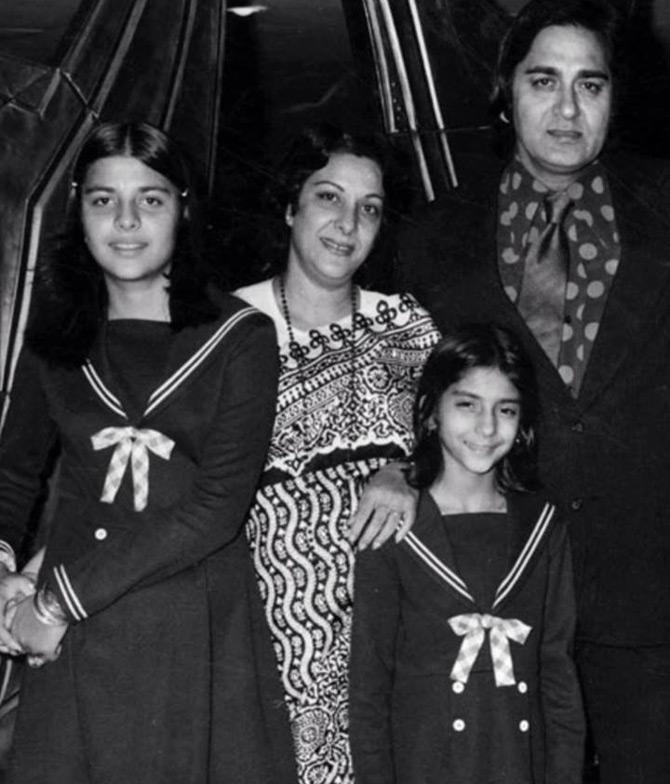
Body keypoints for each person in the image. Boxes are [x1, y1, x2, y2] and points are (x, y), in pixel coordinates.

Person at [380, 1, 670, 782]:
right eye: (544, 81)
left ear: (616, 98)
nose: (568, 109)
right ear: (506, 94)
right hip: (499, 588)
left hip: (651, 598)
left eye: (591, 84)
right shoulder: (433, 239)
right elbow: (404, 390)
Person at [0, 121, 295, 784]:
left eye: (151, 200)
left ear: (183, 208)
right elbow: (13, 476)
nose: (126, 222)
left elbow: (216, 508)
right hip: (73, 645)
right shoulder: (56, 335)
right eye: (104, 200)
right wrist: (3, 581)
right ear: (78, 208)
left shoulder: (239, 337)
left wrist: (54, 603)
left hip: (187, 628)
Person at [235, 124, 440, 784]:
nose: (348, 224)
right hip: (261, 648)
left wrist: (407, 467)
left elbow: (471, 456)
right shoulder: (223, 331)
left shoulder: (407, 328)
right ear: (290, 205)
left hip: (393, 650)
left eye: (370, 207)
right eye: (328, 197)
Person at [350, 324, 584, 784]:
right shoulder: (394, 528)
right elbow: (369, 691)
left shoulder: (542, 527)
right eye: (467, 405)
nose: (487, 427)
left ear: (523, 425)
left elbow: (558, 676)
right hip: (425, 764)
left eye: (506, 410)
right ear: (432, 411)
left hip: (518, 764)